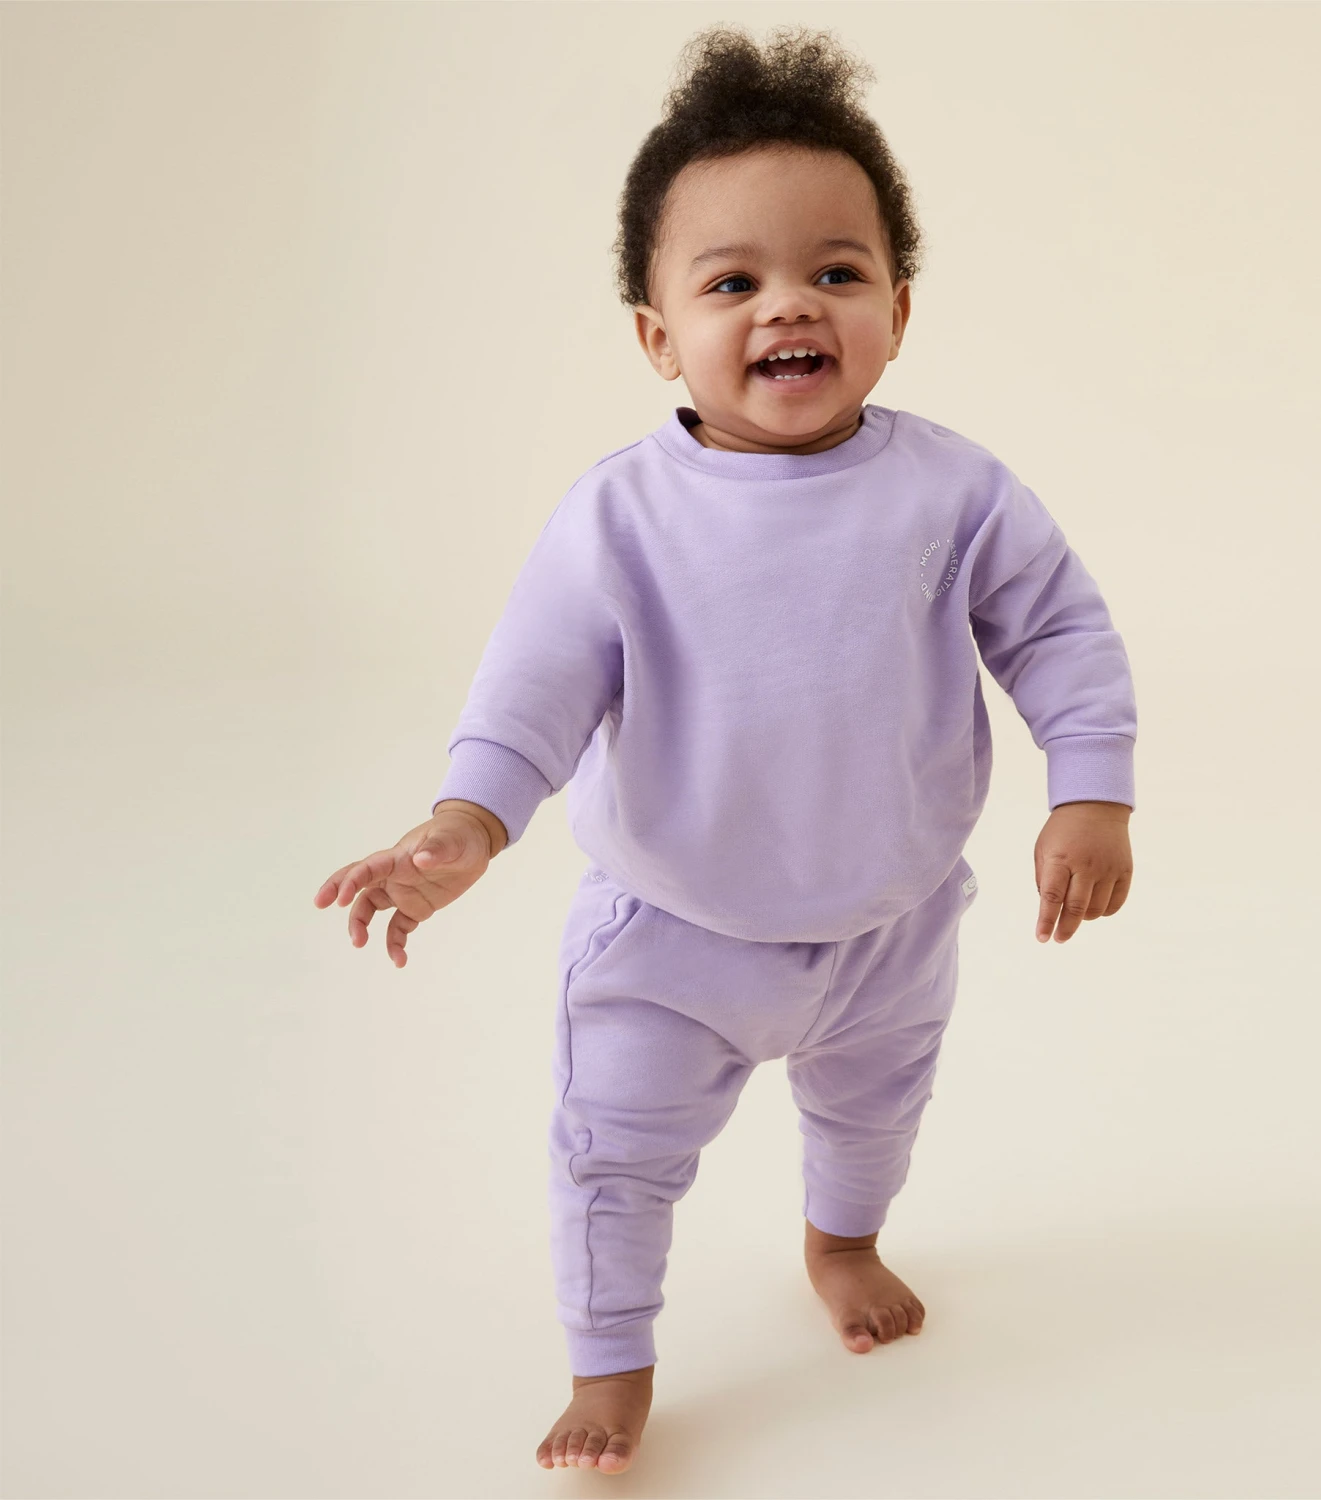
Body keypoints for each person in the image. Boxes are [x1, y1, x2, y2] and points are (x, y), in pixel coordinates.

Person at [313, 22, 1137, 1477]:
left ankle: (841, 1243)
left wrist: (1093, 790)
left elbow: (1061, 632)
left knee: (876, 1118)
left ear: (897, 308)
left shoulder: (953, 494)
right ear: (657, 336)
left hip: (889, 928)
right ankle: (612, 1363)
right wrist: (468, 821)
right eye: (732, 282)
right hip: (670, 938)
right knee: (615, 1159)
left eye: (837, 272)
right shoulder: (621, 518)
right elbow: (532, 690)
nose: (789, 305)